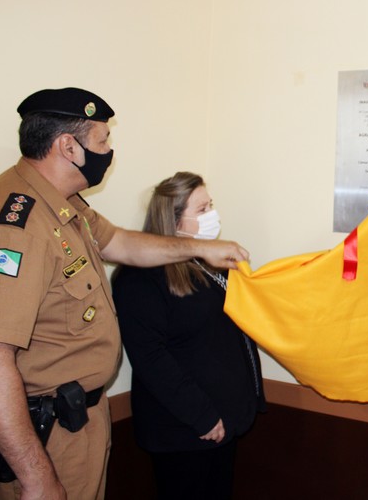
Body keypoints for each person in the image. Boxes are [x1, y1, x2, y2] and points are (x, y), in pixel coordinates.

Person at [0, 87, 248, 500]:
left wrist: (197, 248)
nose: (109, 151)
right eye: (103, 140)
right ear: (68, 147)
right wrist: (36, 477)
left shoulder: (67, 205)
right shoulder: (15, 227)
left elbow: (121, 243)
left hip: (79, 420)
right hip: (40, 435)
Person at [111, 172, 265, 500]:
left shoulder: (208, 264)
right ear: (173, 219)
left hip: (225, 421)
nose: (213, 215)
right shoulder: (140, 277)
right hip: (184, 430)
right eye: (202, 209)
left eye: (211, 205)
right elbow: (150, 358)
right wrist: (203, 416)